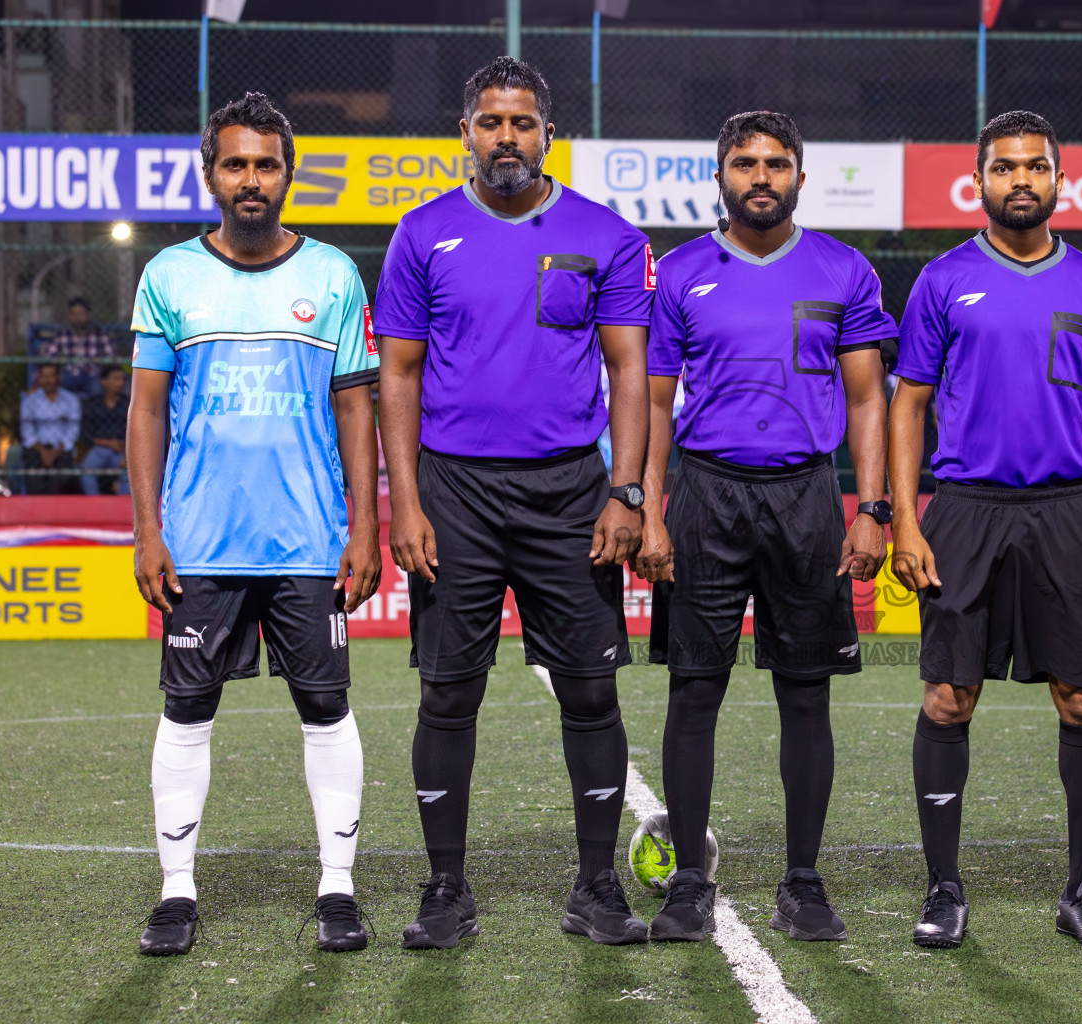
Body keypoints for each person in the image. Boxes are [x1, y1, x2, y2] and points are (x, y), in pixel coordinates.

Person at [375, 57, 654, 949]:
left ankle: (598, 886)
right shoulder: (421, 236)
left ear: (546, 134)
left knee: (590, 688)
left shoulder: (604, 234)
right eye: (491, 122)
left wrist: (627, 490)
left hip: (570, 491)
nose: (507, 138)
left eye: (523, 123)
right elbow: (398, 377)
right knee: (448, 692)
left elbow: (629, 372)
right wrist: (405, 504)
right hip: (453, 492)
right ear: (466, 132)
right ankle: (446, 888)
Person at [127, 92, 381, 957]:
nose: (251, 179)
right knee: (186, 711)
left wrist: (365, 526)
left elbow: (357, 407)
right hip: (199, 540)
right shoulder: (167, 277)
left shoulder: (334, 276)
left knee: (326, 706)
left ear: (288, 173)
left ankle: (338, 888)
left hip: (309, 538)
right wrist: (149, 530)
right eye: (234, 164)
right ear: (210, 175)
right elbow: (146, 410)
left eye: (266, 164)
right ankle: (175, 891)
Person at [888, 110, 1082, 950]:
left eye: (1036, 166)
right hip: (964, 511)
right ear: (981, 181)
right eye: (1005, 168)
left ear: (1058, 179)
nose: (1021, 180)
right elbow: (908, 405)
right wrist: (903, 518)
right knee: (946, 697)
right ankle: (943, 889)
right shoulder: (942, 279)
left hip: (1071, 511)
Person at [635, 111, 896, 943]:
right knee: (693, 689)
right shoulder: (678, 274)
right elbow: (654, 403)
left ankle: (805, 881)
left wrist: (874, 508)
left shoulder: (844, 269)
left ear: (799, 177)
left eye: (776, 163)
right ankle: (687, 883)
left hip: (806, 497)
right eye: (744, 163)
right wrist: (649, 507)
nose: (760, 176)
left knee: (806, 694)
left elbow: (866, 399)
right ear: (719, 176)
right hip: (705, 495)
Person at [9, 362, 81, 495]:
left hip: (61, 449)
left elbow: (73, 431)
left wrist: (55, 451)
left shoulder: (71, 400)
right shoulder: (30, 400)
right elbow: (26, 430)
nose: (48, 380)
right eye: (44, 376)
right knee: (32, 472)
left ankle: (56, 511)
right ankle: (36, 511)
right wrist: (43, 451)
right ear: (39, 378)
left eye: (51, 376)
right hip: (36, 448)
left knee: (61, 475)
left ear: (58, 378)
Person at [41, 297, 118, 396]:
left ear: (88, 315)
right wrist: (58, 361)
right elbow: (48, 354)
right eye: (73, 314)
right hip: (69, 373)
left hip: (93, 374)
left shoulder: (99, 333)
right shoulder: (64, 333)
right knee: (58, 385)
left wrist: (101, 366)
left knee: (97, 389)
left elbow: (111, 355)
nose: (77, 318)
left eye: (81, 314)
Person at [80, 364, 130, 495]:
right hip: (99, 448)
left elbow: (134, 432)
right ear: (104, 381)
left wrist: (126, 452)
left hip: (123, 449)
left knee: (130, 472)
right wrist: (108, 443)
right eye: (116, 379)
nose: (121, 383)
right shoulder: (93, 403)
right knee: (87, 469)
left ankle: (123, 508)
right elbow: (86, 434)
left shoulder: (128, 403)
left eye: (123, 379)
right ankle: (94, 505)